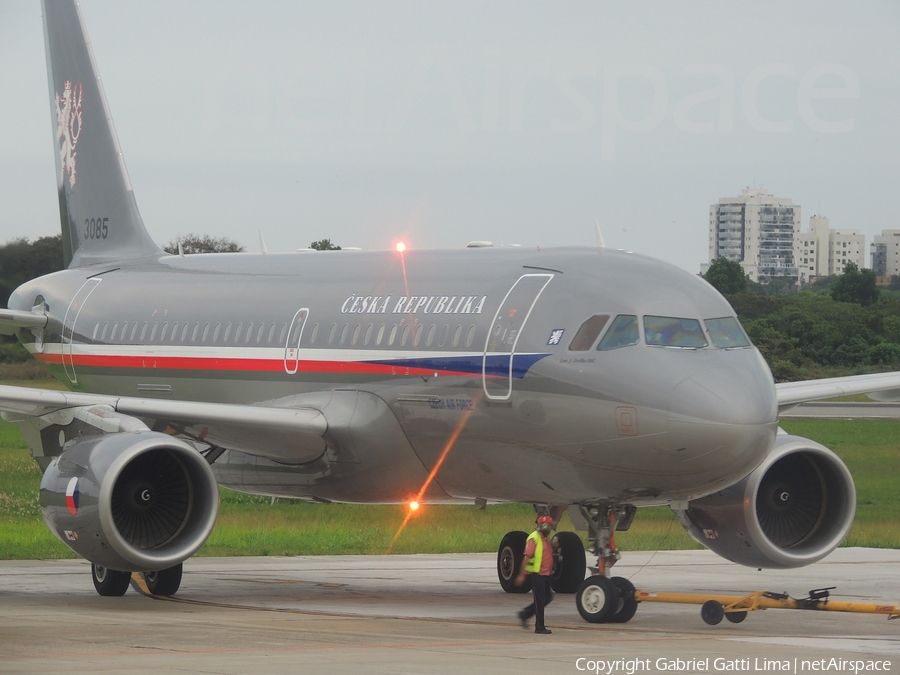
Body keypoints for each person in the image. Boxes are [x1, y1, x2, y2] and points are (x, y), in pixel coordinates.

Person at [515, 515, 558, 634]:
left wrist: (553, 547)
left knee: (547, 598)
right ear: (544, 526)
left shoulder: (545, 538)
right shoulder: (533, 539)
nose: (551, 528)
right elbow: (526, 557)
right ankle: (539, 626)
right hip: (536, 575)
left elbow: (546, 553)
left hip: (545, 574)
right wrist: (521, 575)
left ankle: (525, 614)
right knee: (539, 600)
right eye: (550, 525)